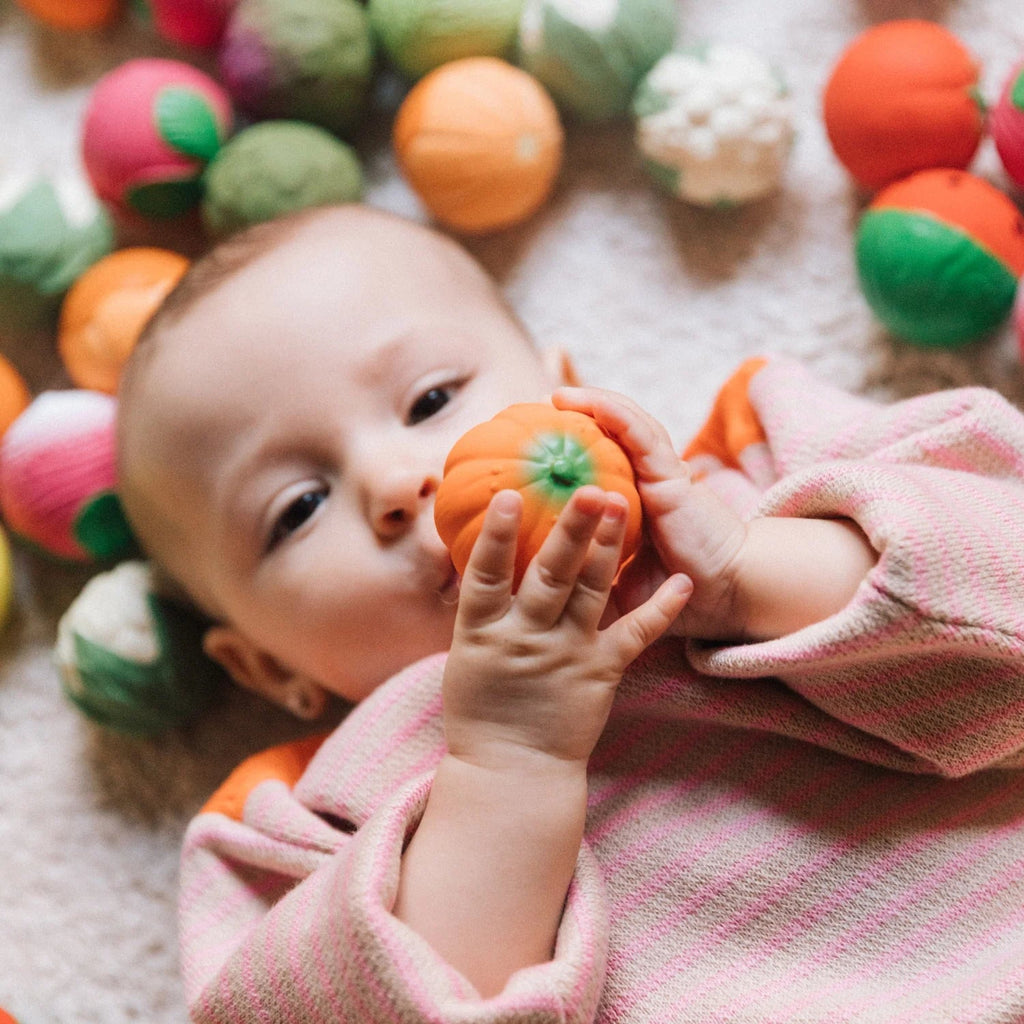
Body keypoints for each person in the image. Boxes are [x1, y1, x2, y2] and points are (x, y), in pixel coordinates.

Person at [117, 203, 1024, 1024]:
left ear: (568, 389)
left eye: (431, 400)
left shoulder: (765, 466)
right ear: (271, 669)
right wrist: (507, 761)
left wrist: (752, 578)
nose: (398, 482)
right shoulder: (295, 825)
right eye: (296, 509)